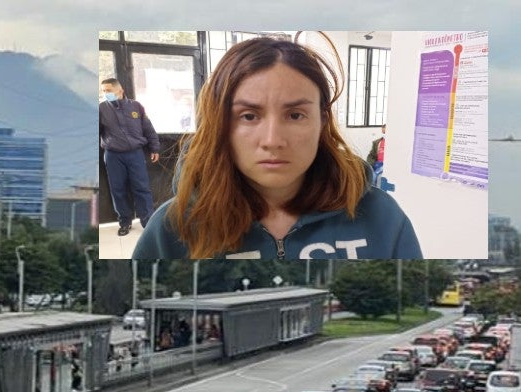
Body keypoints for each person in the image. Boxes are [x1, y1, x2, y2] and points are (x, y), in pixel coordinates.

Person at [133, 36, 422, 260]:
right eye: (249, 116)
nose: (272, 140)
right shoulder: (172, 229)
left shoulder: (381, 216)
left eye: (295, 115)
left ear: (322, 121)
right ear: (220, 124)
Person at [99, 78, 160, 236]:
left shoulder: (136, 106)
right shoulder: (101, 109)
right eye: (104, 91)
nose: (106, 94)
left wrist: (155, 148)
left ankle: (148, 222)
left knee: (142, 188)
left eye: (108, 90)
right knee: (118, 190)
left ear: (120, 90)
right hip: (113, 155)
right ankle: (124, 222)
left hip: (135, 154)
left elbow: (148, 128)